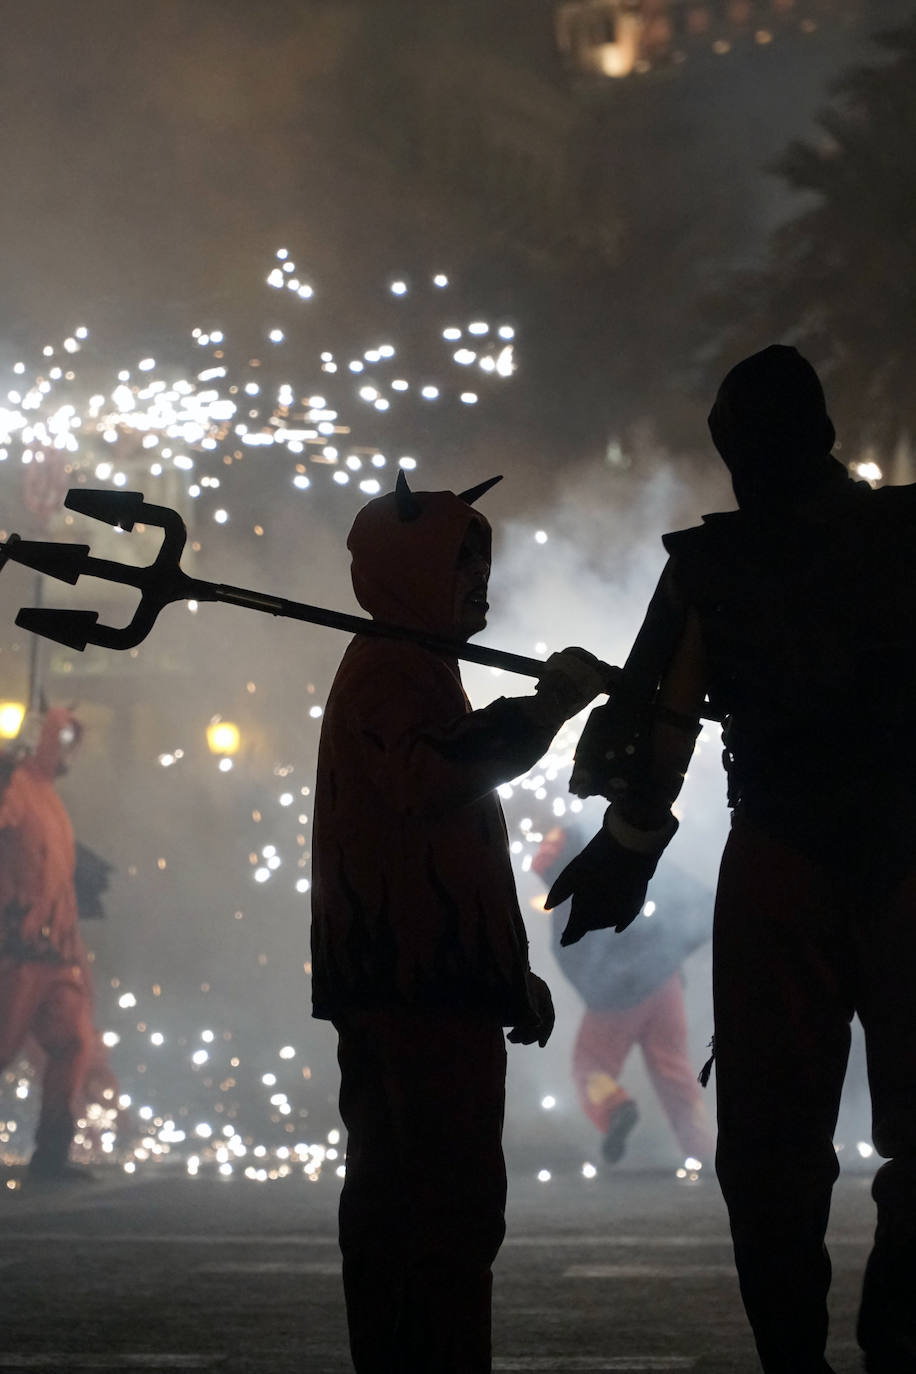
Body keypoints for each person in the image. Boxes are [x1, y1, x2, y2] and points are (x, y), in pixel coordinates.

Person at [546, 345, 916, 1374]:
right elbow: (657, 735)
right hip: (872, 858)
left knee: (768, 1151)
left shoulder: (716, 568)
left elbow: (653, 735)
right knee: (808, 1150)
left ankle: (823, 1355)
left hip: (801, 862)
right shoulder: (892, 539)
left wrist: (626, 845)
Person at [311, 471, 609, 1374]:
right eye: (462, 567)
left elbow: (454, 852)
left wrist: (502, 974)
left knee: (418, 1215)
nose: (481, 587)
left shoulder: (416, 666)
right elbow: (433, 779)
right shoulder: (395, 671)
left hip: (423, 981)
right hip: (415, 989)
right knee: (437, 1219)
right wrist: (547, 710)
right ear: (414, 572)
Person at [532, 823, 714, 1171]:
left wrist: (601, 995)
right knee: (674, 1072)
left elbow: (576, 958)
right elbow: (680, 902)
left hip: (618, 999)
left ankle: (615, 1108)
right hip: (666, 984)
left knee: (590, 1066)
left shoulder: (573, 901)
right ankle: (703, 1152)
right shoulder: (627, 858)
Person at [0, 707, 98, 1182]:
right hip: (15, 950)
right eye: (59, 737)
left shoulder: (46, 794)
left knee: (71, 1044)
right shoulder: (15, 786)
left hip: (53, 952)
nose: (66, 750)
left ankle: (52, 1154)